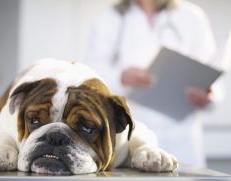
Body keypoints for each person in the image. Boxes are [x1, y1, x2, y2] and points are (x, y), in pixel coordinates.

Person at [85, 0, 222, 166]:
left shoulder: (192, 17)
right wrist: (121, 77)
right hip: (134, 134)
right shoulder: (110, 18)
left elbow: (212, 78)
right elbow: (92, 75)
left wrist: (209, 97)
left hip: (183, 137)